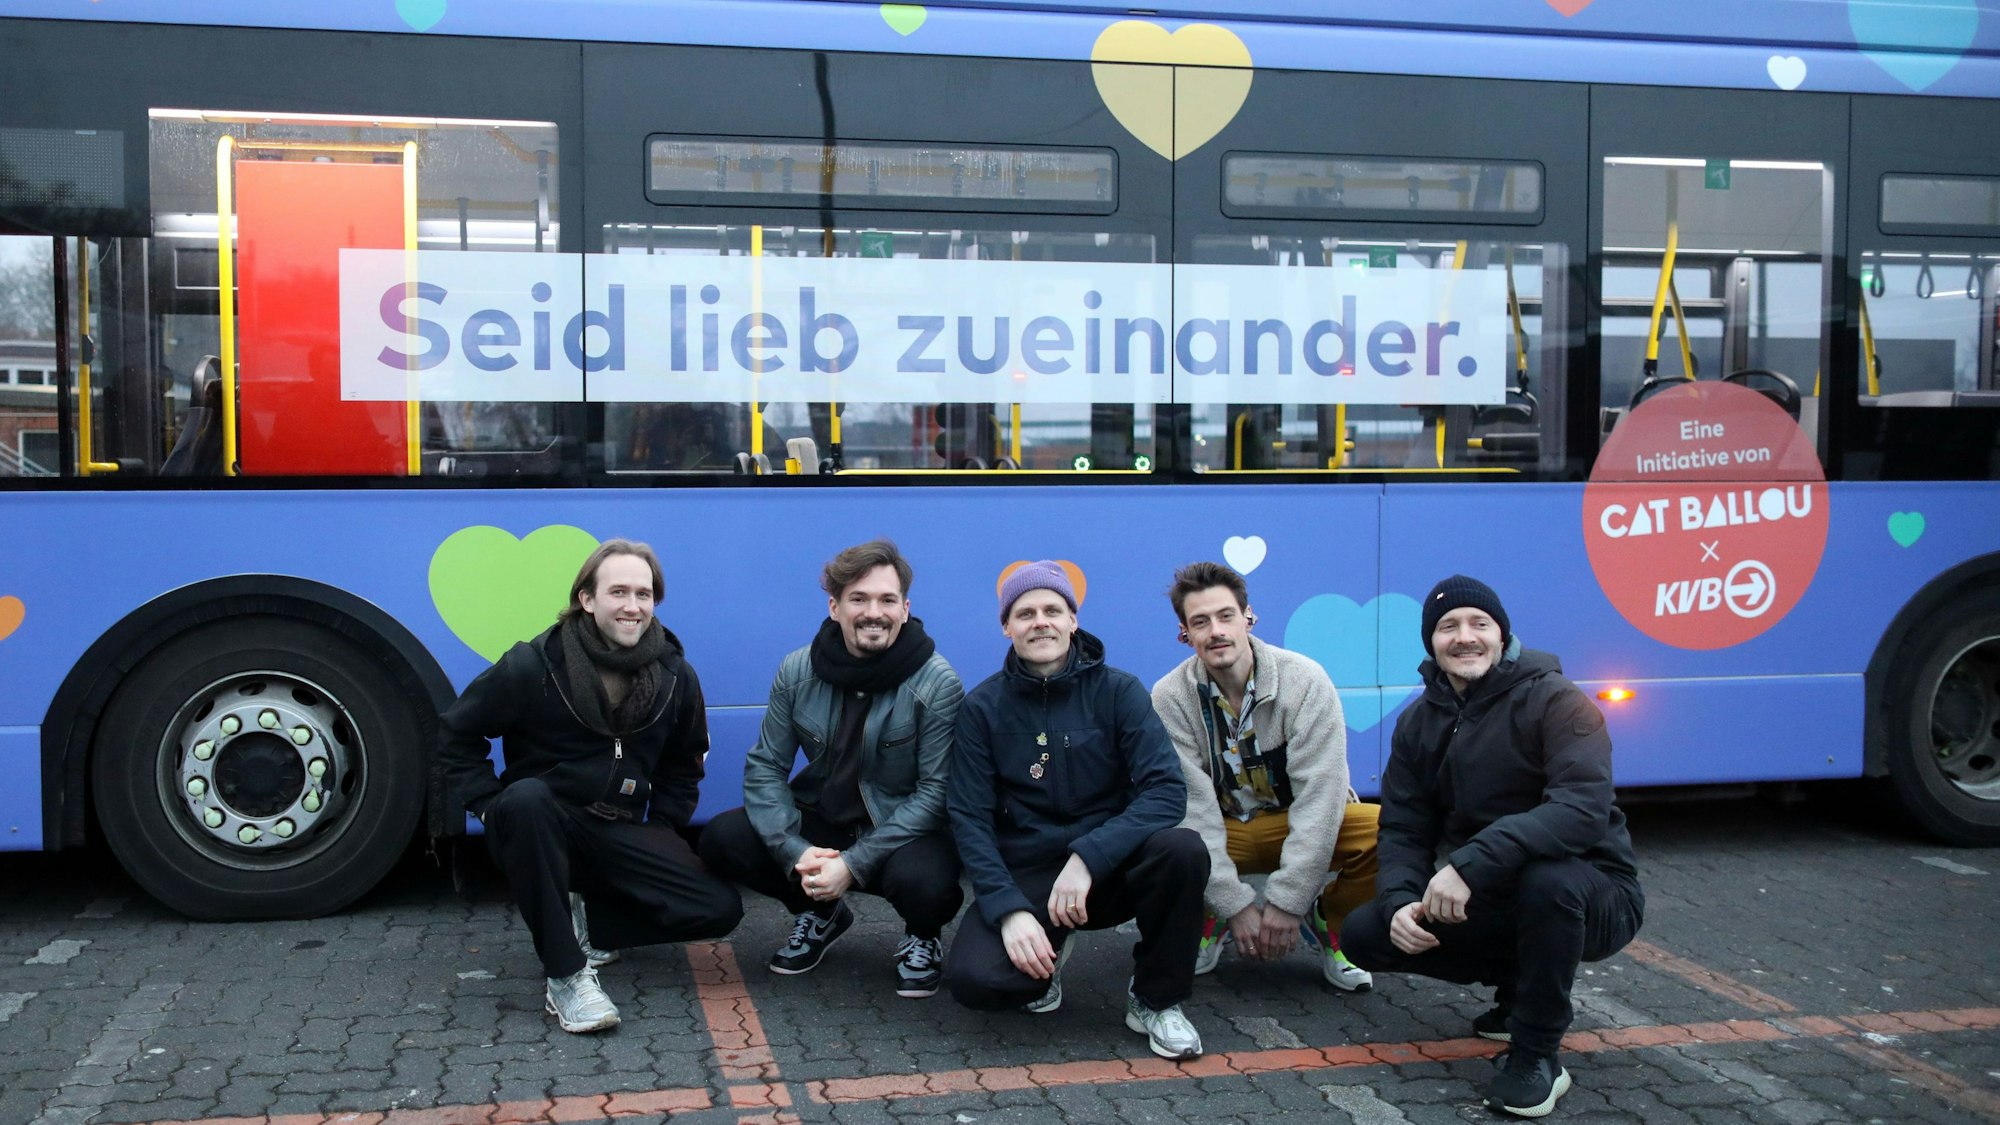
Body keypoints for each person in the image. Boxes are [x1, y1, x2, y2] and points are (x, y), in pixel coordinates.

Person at [1340, 575, 1643, 1117]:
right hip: (1496, 893)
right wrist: (1399, 901)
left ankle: (1537, 1055)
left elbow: (1580, 810)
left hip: (1593, 893)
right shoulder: (1418, 721)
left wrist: (1468, 865)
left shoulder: (1559, 701)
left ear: (1502, 636)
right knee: (1366, 934)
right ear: (1431, 642)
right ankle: (1517, 990)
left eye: (1480, 624)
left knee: (1546, 883)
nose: (1465, 637)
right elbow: (1405, 827)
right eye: (1448, 626)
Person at [438, 539, 743, 1034]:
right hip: (542, 823)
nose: (632, 606)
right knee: (528, 798)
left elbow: (684, 760)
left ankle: (590, 920)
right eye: (618, 591)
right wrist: (490, 806)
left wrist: (660, 826)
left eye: (643, 594)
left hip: (615, 824)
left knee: (718, 908)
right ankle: (566, 976)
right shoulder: (533, 664)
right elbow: (457, 733)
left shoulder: (674, 674)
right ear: (587, 599)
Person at [945, 560, 1210, 1060]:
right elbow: (969, 817)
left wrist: (1089, 856)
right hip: (1031, 874)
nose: (1039, 621)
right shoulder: (982, 708)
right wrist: (1007, 912)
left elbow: (1167, 791)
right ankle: (1049, 946)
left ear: (1073, 620)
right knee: (976, 984)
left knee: (1182, 850)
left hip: (1108, 868)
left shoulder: (1119, 691)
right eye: (1025, 613)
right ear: (1007, 626)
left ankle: (1156, 1000)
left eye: (1052, 609)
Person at [699, 540, 965, 998]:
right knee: (723, 839)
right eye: (858, 599)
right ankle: (822, 913)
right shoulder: (796, 670)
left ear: (905, 608)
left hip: (897, 829)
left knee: (930, 885)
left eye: (886, 600)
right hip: (823, 821)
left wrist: (853, 865)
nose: (873, 612)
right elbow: (766, 767)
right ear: (835, 607)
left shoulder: (938, 682)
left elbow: (936, 793)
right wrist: (795, 850)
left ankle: (922, 936)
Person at [1150, 562, 1379, 992]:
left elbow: (1322, 796)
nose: (1216, 631)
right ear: (1184, 634)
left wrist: (1290, 902)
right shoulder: (1169, 697)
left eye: (1226, 616)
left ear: (1248, 617)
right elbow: (1190, 807)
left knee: (1385, 832)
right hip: (1221, 829)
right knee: (1163, 844)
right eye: (1200, 622)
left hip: (1290, 821)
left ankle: (1329, 920)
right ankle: (1210, 918)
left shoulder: (1305, 681)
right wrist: (1234, 904)